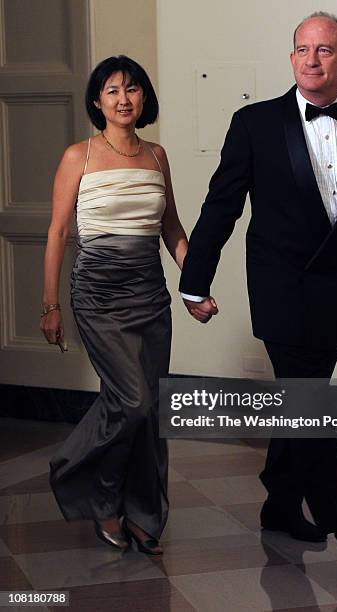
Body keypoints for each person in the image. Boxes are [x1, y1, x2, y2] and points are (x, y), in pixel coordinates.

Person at [179, 12, 337, 569]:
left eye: (324, 51)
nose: (311, 59)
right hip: (281, 289)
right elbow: (222, 204)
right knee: (309, 404)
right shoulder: (254, 122)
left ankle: (278, 501)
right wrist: (194, 279)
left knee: (301, 398)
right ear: (291, 57)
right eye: (301, 49)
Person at [40, 56, 207, 555]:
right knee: (131, 401)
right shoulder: (79, 156)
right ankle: (97, 493)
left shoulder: (157, 156)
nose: (123, 99)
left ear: (143, 98)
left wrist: (194, 286)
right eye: (112, 90)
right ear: (98, 101)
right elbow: (58, 231)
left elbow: (172, 229)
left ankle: (144, 514)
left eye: (131, 89)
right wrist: (51, 304)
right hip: (97, 296)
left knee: (151, 409)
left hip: (150, 297)